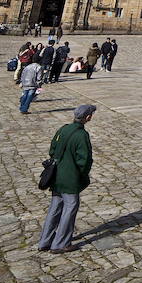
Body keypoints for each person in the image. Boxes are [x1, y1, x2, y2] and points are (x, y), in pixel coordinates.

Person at [37, 104, 96, 253]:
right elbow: (85, 160)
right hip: (70, 178)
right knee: (70, 209)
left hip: (56, 176)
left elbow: (52, 149)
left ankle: (45, 241)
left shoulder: (63, 129)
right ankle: (61, 243)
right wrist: (82, 175)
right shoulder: (82, 135)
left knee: (55, 209)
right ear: (88, 117)